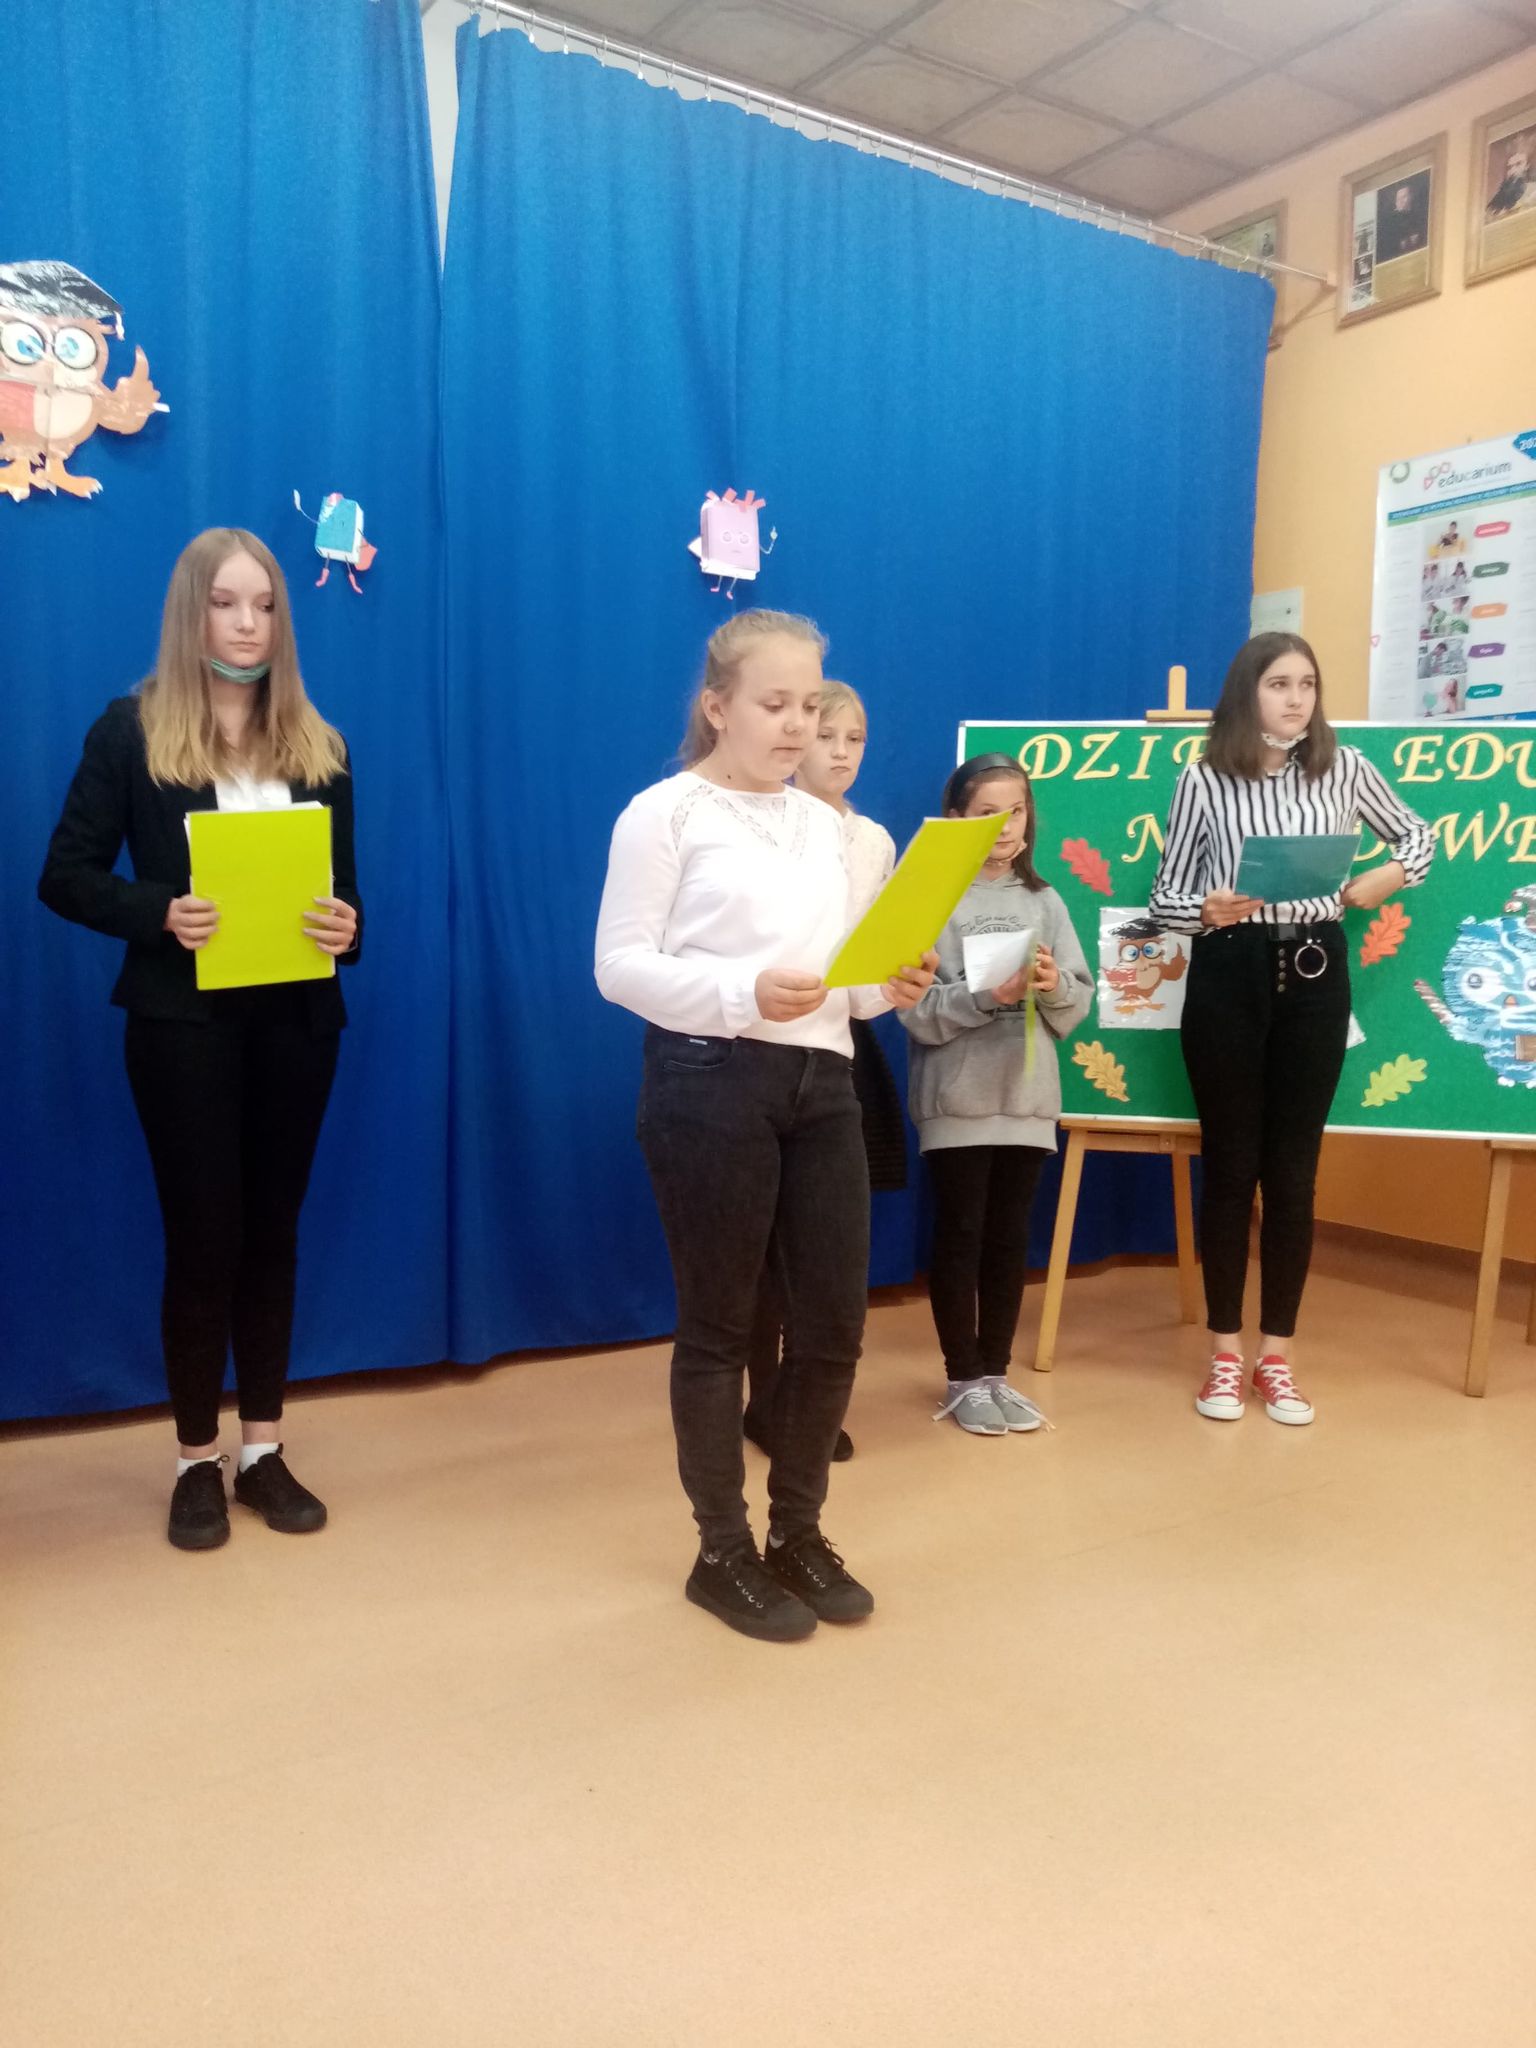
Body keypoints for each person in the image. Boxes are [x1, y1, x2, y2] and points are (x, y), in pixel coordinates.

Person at [594, 609, 936, 1642]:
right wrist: (741, 993)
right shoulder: (663, 813)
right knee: (722, 1326)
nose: (799, 726)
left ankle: (798, 1531)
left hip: (823, 1083)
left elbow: (847, 983)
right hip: (707, 1080)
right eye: (776, 704)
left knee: (833, 1324)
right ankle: (722, 1551)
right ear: (717, 706)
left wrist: (890, 985)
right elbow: (619, 966)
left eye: (811, 706)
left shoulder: (828, 828)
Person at [38, 529, 361, 1549]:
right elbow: (65, 875)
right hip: (184, 1029)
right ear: (192, 612)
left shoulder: (318, 744)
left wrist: (346, 928)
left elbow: (347, 903)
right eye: (227, 603)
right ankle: (194, 1460)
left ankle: (261, 1449)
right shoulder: (130, 731)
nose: (248, 623)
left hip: (297, 1025)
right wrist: (159, 911)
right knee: (203, 1237)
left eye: (264, 604)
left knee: (274, 1233)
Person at [1149, 633, 1433, 1426]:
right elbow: (1165, 896)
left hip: (1314, 969)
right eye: (1279, 683)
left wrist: (1389, 875)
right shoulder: (1205, 778)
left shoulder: (1345, 768)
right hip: (1228, 969)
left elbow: (1419, 835)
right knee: (1231, 1167)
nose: (1297, 698)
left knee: (1294, 1173)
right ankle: (1224, 1353)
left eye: (1307, 683)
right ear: (1248, 693)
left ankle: (1277, 1357)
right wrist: (1204, 908)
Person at [900, 753, 1092, 1436]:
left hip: (1028, 1097)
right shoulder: (930, 899)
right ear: (956, 819)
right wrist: (989, 995)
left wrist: (1051, 984)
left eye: (1016, 811)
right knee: (961, 1234)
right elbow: (915, 1012)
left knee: (1011, 1240)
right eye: (987, 813)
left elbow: (1078, 1001)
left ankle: (995, 1375)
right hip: (957, 1099)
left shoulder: (1045, 900)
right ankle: (962, 1377)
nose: (1006, 827)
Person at [742, 679, 905, 1467]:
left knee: (824, 1240)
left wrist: (897, 978)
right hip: (762, 1041)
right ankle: (764, 1397)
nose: (840, 752)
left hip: (841, 1043)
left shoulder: (872, 839)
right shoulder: (760, 821)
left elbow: (870, 971)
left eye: (855, 739)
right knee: (763, 1243)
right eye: (826, 735)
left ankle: (806, 1399)